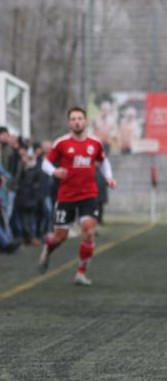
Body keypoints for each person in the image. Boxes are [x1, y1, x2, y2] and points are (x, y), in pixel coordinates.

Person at [38, 107, 116, 285]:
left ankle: (81, 273)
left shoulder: (95, 143)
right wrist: (54, 171)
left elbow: (104, 162)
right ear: (69, 123)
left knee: (89, 232)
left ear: (85, 121)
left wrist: (109, 178)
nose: (77, 121)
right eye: (73, 119)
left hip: (89, 195)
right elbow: (45, 163)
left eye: (80, 118)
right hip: (66, 197)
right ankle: (48, 249)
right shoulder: (61, 143)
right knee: (60, 237)